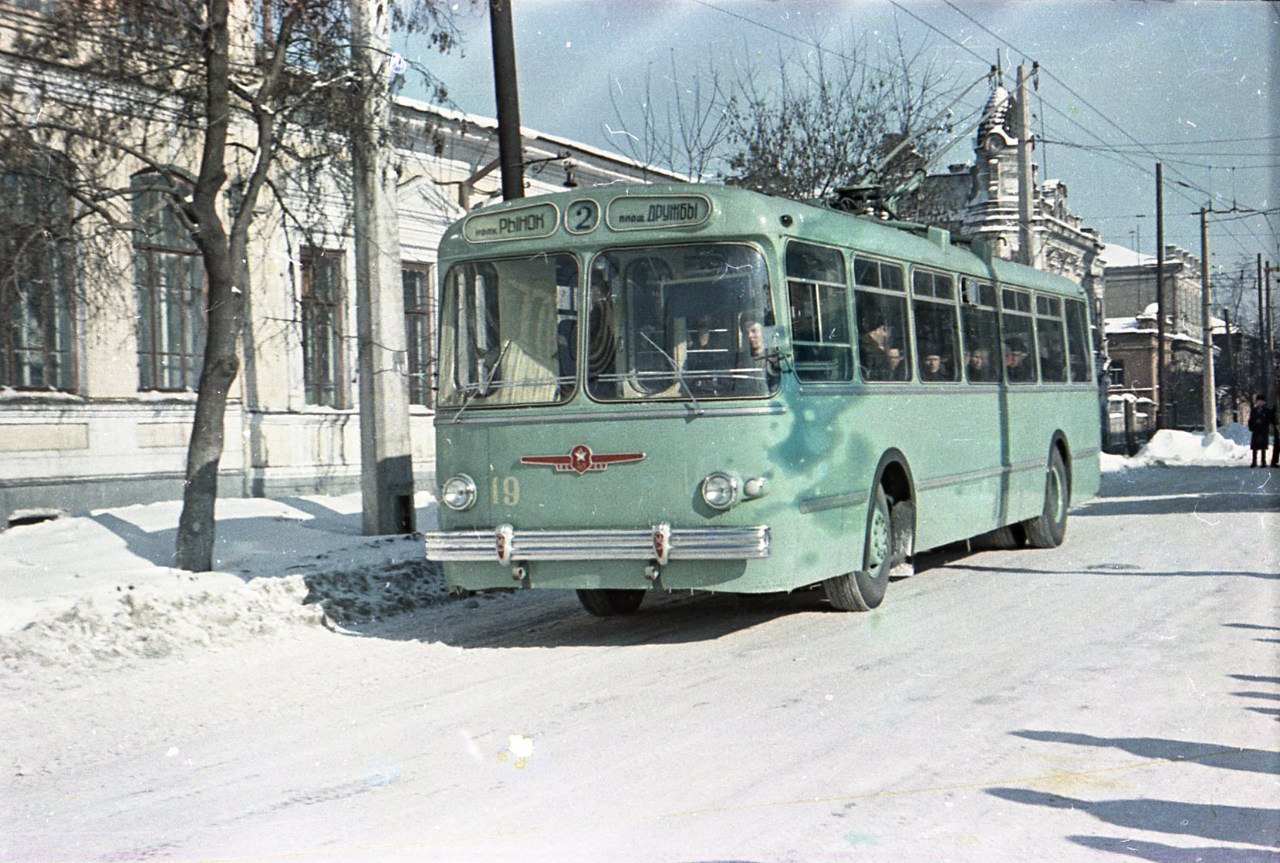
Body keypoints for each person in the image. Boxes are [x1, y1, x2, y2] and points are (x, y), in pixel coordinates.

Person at [858, 313, 890, 381]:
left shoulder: (858, 345)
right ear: (876, 330)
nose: (885, 334)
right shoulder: (879, 354)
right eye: (883, 329)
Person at [1247, 393, 1273, 468]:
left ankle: (1263, 461)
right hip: (1256, 430)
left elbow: (1268, 420)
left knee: (1263, 447)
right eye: (1258, 401)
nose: (1259, 403)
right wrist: (1253, 425)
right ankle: (1254, 461)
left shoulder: (1267, 410)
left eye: (1261, 401)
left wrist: (1262, 421)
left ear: (1264, 402)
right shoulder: (1254, 410)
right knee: (1255, 447)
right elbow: (1250, 420)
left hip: (1263, 430)